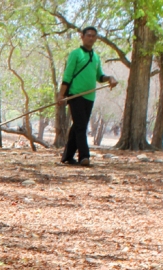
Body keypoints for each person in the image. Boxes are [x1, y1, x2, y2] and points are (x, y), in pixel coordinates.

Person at [58, 26, 118, 167]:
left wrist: (110, 78)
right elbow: (67, 76)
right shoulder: (76, 54)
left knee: (79, 125)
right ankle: (84, 157)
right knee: (81, 126)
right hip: (76, 95)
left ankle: (67, 157)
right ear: (82, 36)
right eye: (88, 35)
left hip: (89, 97)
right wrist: (61, 94)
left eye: (93, 36)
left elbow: (99, 76)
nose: (91, 38)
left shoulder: (96, 57)